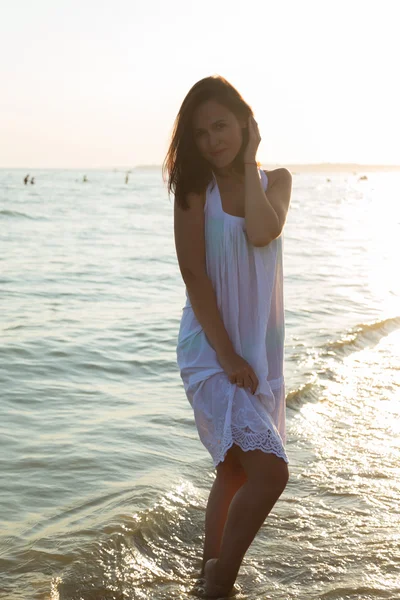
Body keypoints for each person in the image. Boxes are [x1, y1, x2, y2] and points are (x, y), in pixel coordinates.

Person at [163, 75, 293, 597]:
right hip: (212, 348)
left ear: (244, 122)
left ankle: (205, 579)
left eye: (221, 125)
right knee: (271, 473)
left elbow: (263, 231)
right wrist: (226, 355)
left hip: (257, 351)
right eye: (199, 133)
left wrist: (250, 161)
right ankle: (223, 579)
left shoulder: (276, 181)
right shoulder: (196, 191)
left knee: (237, 470)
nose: (212, 139)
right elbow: (194, 276)